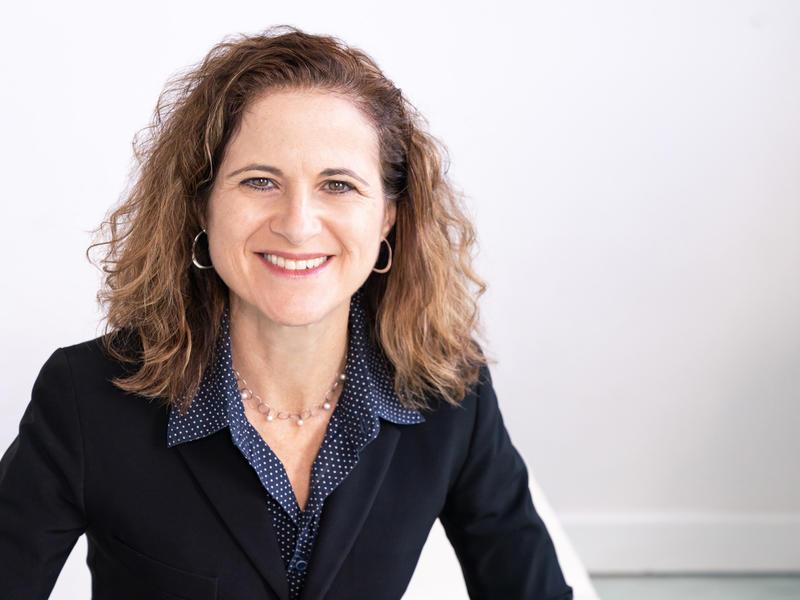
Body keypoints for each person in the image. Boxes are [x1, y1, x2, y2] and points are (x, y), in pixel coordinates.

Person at [0, 25, 573, 600]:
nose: (298, 224)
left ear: (389, 219)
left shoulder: (450, 394)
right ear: (202, 206)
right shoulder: (87, 397)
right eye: (259, 181)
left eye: (339, 185)